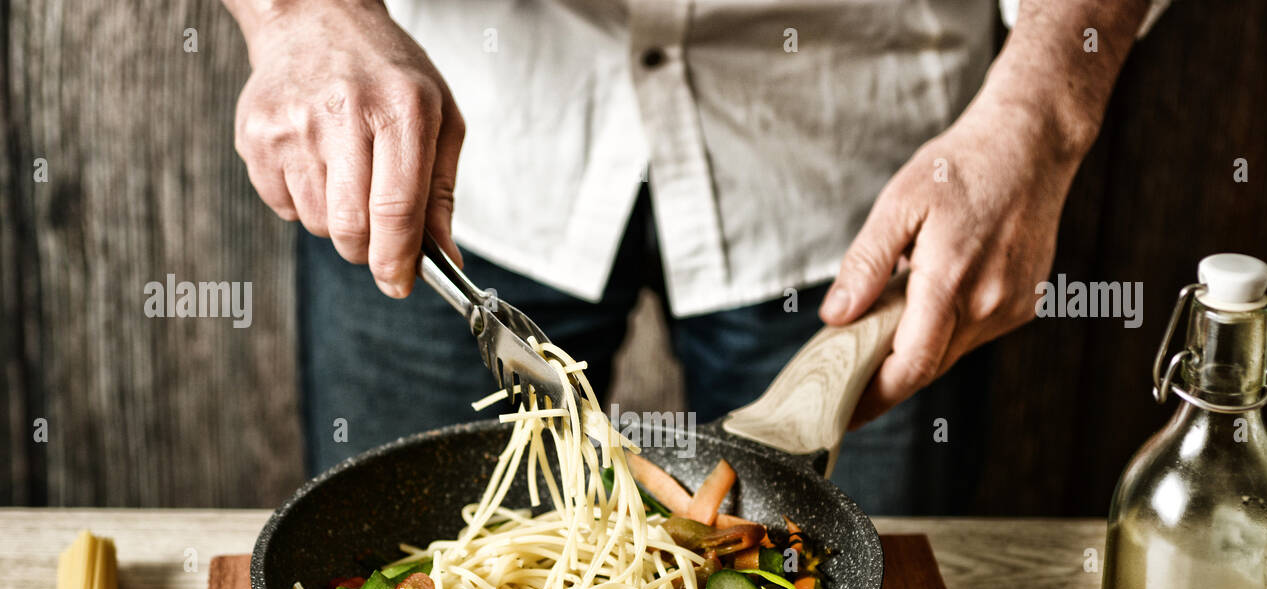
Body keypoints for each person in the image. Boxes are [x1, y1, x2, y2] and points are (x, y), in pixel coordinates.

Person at [222, 0, 1167, 512]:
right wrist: (298, 12)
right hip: (454, 138)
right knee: (413, 577)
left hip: (861, 149)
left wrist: (1042, 108)